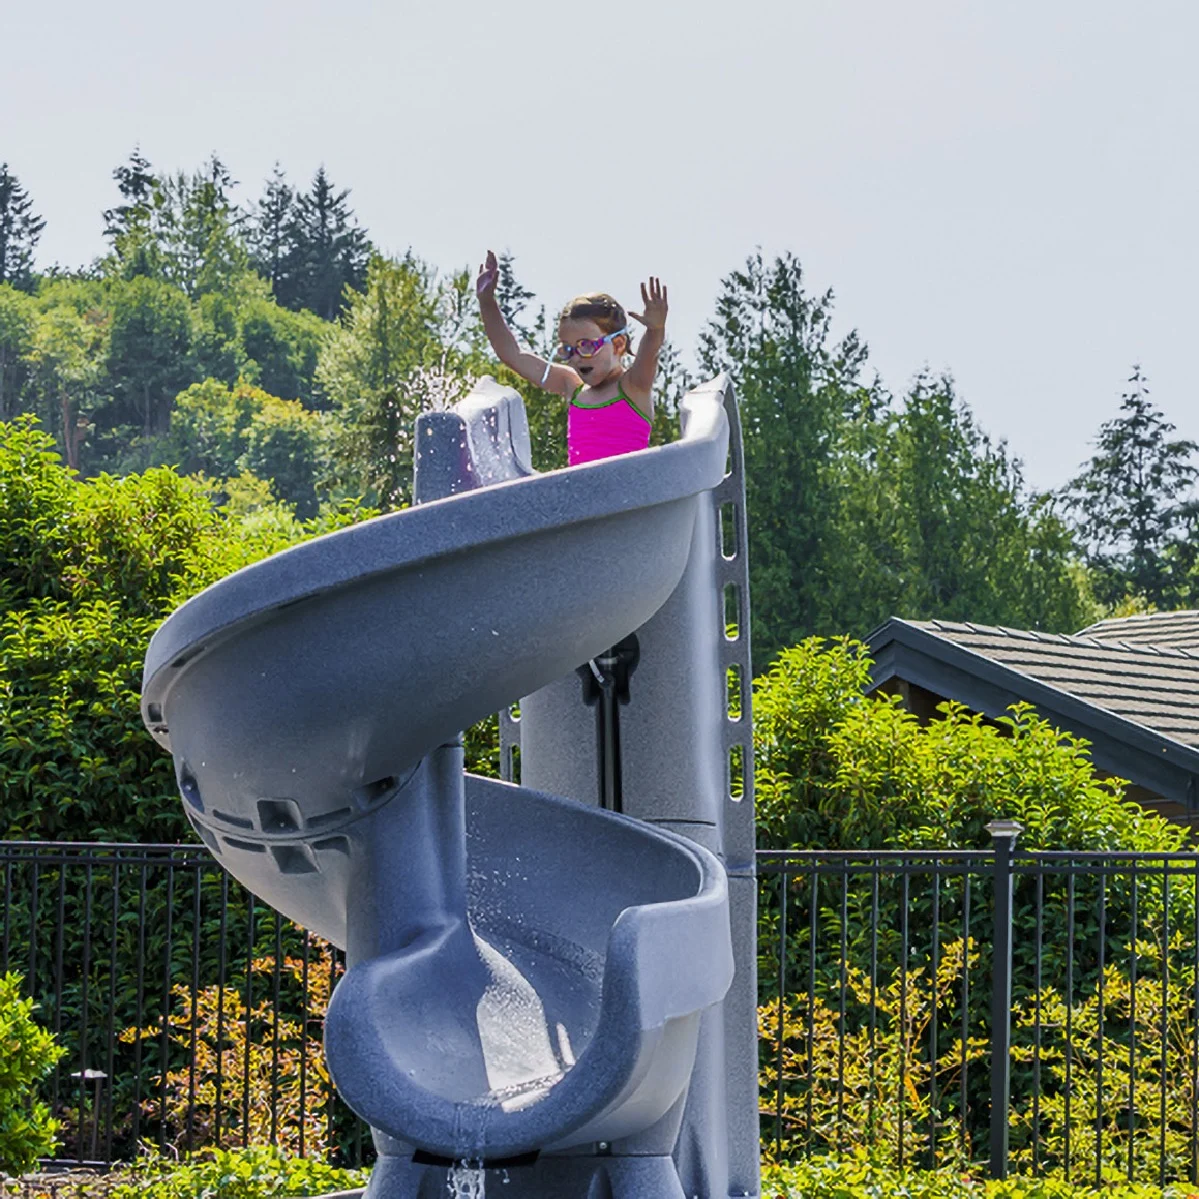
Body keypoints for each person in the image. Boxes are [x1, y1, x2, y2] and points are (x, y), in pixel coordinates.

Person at [475, 250, 668, 466]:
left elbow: (649, 354)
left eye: (586, 345)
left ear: (618, 344)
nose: (577, 358)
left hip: (629, 498)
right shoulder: (571, 385)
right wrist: (486, 302)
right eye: (568, 349)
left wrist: (655, 330)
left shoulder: (634, 386)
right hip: (581, 497)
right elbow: (513, 354)